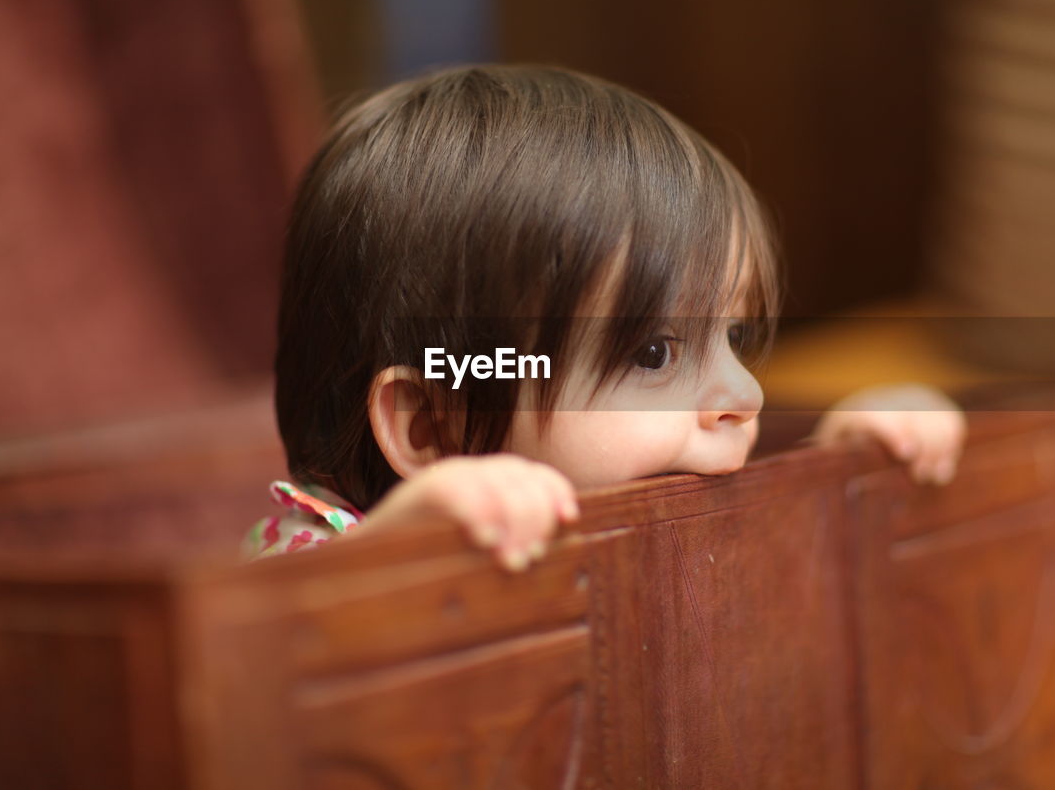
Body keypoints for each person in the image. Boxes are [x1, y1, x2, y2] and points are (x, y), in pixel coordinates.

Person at [244, 64, 965, 569]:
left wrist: (850, 466)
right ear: (438, 424)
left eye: (736, 336)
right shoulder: (299, 566)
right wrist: (404, 554)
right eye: (655, 353)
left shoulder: (655, 493)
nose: (746, 396)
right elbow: (269, 678)